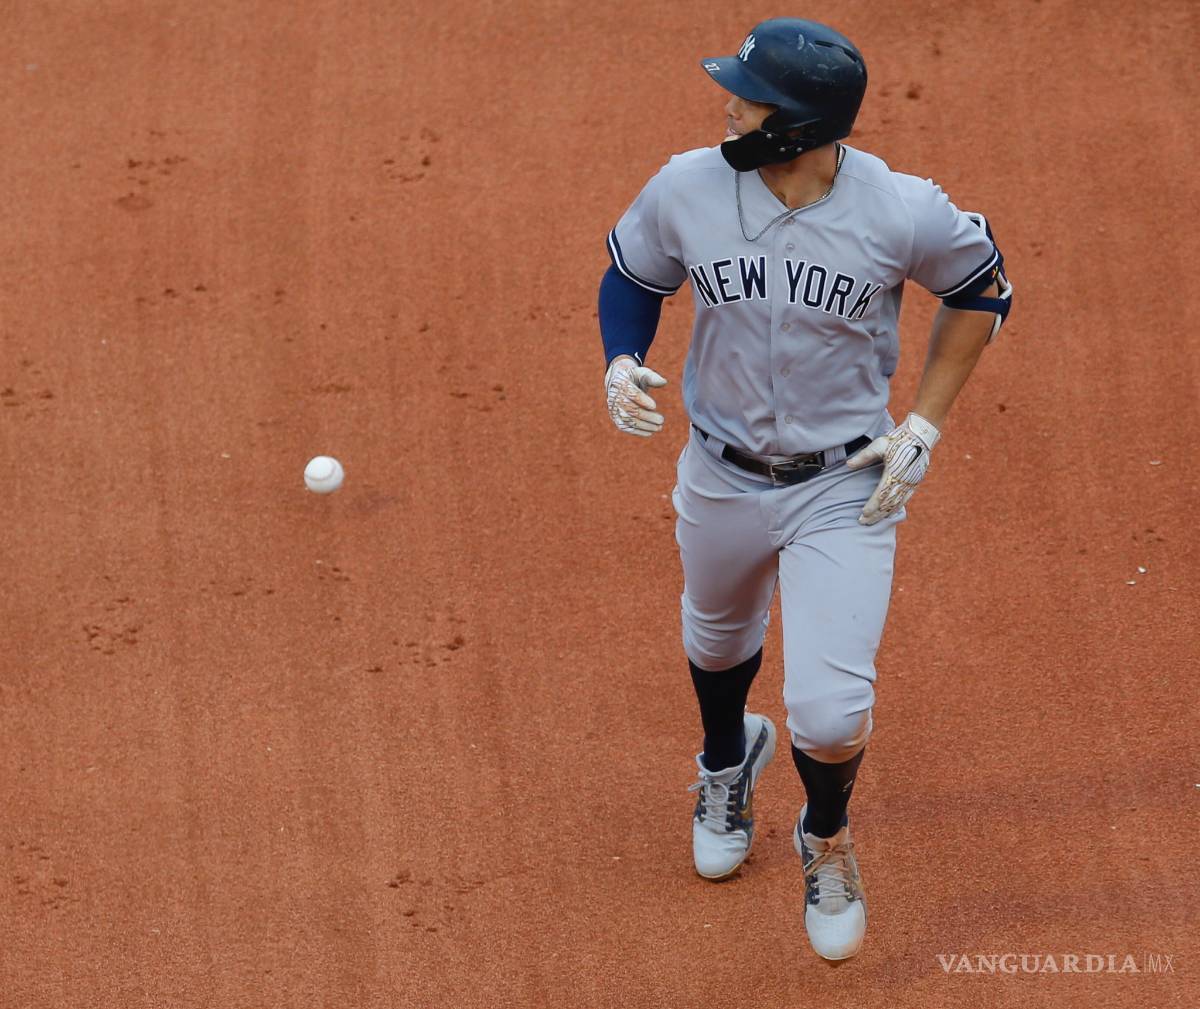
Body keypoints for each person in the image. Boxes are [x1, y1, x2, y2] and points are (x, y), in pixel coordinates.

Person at [599, 18, 1011, 961]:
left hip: (846, 484)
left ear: (799, 125)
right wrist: (621, 358)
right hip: (720, 468)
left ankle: (824, 833)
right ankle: (725, 761)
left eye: (749, 95)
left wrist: (925, 423)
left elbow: (983, 288)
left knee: (830, 710)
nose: (729, 104)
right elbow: (630, 275)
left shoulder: (901, 210)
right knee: (714, 636)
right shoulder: (687, 185)